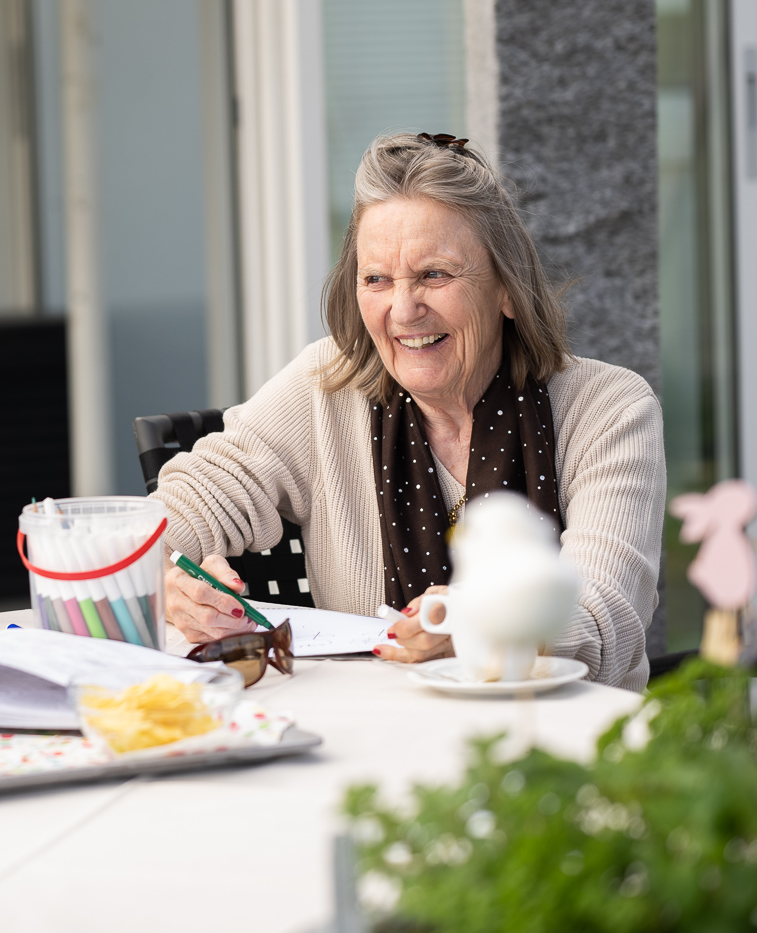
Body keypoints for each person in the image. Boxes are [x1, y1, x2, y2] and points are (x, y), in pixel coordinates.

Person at [155, 132, 664, 689]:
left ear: (507, 289)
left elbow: (605, 617)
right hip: (373, 729)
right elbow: (173, 517)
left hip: (562, 735)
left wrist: (483, 630)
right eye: (376, 279)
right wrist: (169, 580)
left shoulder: (609, 409)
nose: (403, 310)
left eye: (434, 275)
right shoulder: (325, 388)